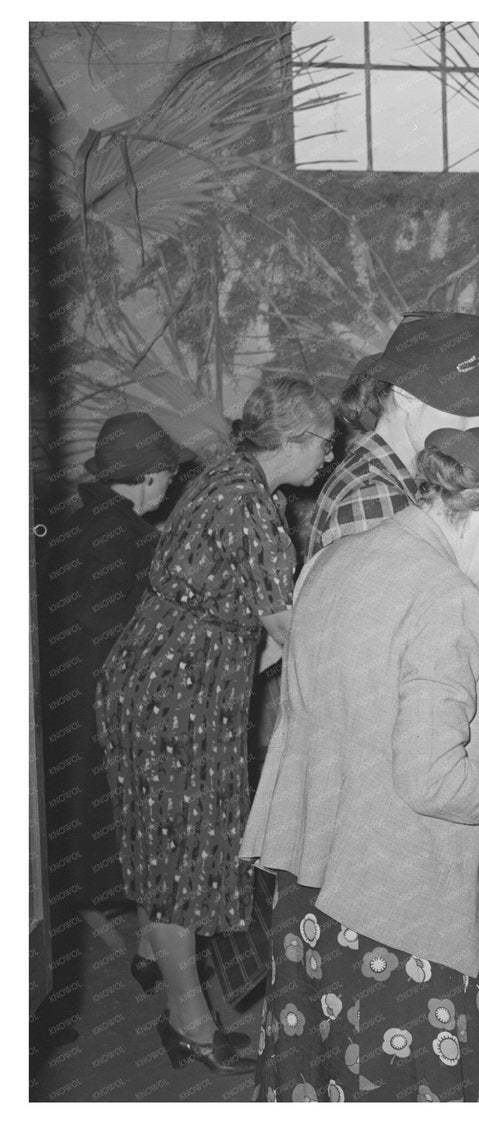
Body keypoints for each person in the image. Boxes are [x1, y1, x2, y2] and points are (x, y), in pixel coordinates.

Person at [241, 407, 479, 1102]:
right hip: (393, 912)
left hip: (313, 893)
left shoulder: (335, 559)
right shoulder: (448, 594)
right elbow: (431, 782)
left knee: (323, 1081)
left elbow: (347, 713)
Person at [95, 376, 336, 1075]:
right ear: (290, 442)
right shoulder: (249, 508)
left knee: (164, 836)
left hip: (159, 681)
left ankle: (151, 955)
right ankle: (191, 1024)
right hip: (174, 697)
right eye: (321, 443)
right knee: (180, 860)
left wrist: (259, 657)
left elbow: (263, 633)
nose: (326, 456)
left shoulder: (227, 476)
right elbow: (291, 629)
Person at [36, 413, 194, 1049]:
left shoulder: (73, 522)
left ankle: (140, 950)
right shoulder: (126, 537)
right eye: (168, 476)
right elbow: (131, 647)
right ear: (149, 477)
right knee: (144, 847)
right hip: (106, 721)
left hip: (59, 718)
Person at [309, 312, 479, 557]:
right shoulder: (376, 499)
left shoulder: (393, 478)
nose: (476, 427)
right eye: (464, 409)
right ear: (407, 397)